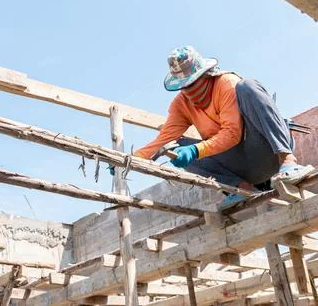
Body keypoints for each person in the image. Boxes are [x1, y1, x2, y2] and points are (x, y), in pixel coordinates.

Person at [133, 46, 314, 208]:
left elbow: (232, 134)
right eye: (183, 86)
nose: (188, 91)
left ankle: (288, 161)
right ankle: (241, 188)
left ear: (205, 73)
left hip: (266, 152)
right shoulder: (181, 105)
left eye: (192, 82)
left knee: (248, 86)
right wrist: (133, 159)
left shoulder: (226, 84)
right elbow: (163, 139)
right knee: (175, 146)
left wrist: (196, 150)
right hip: (242, 167)